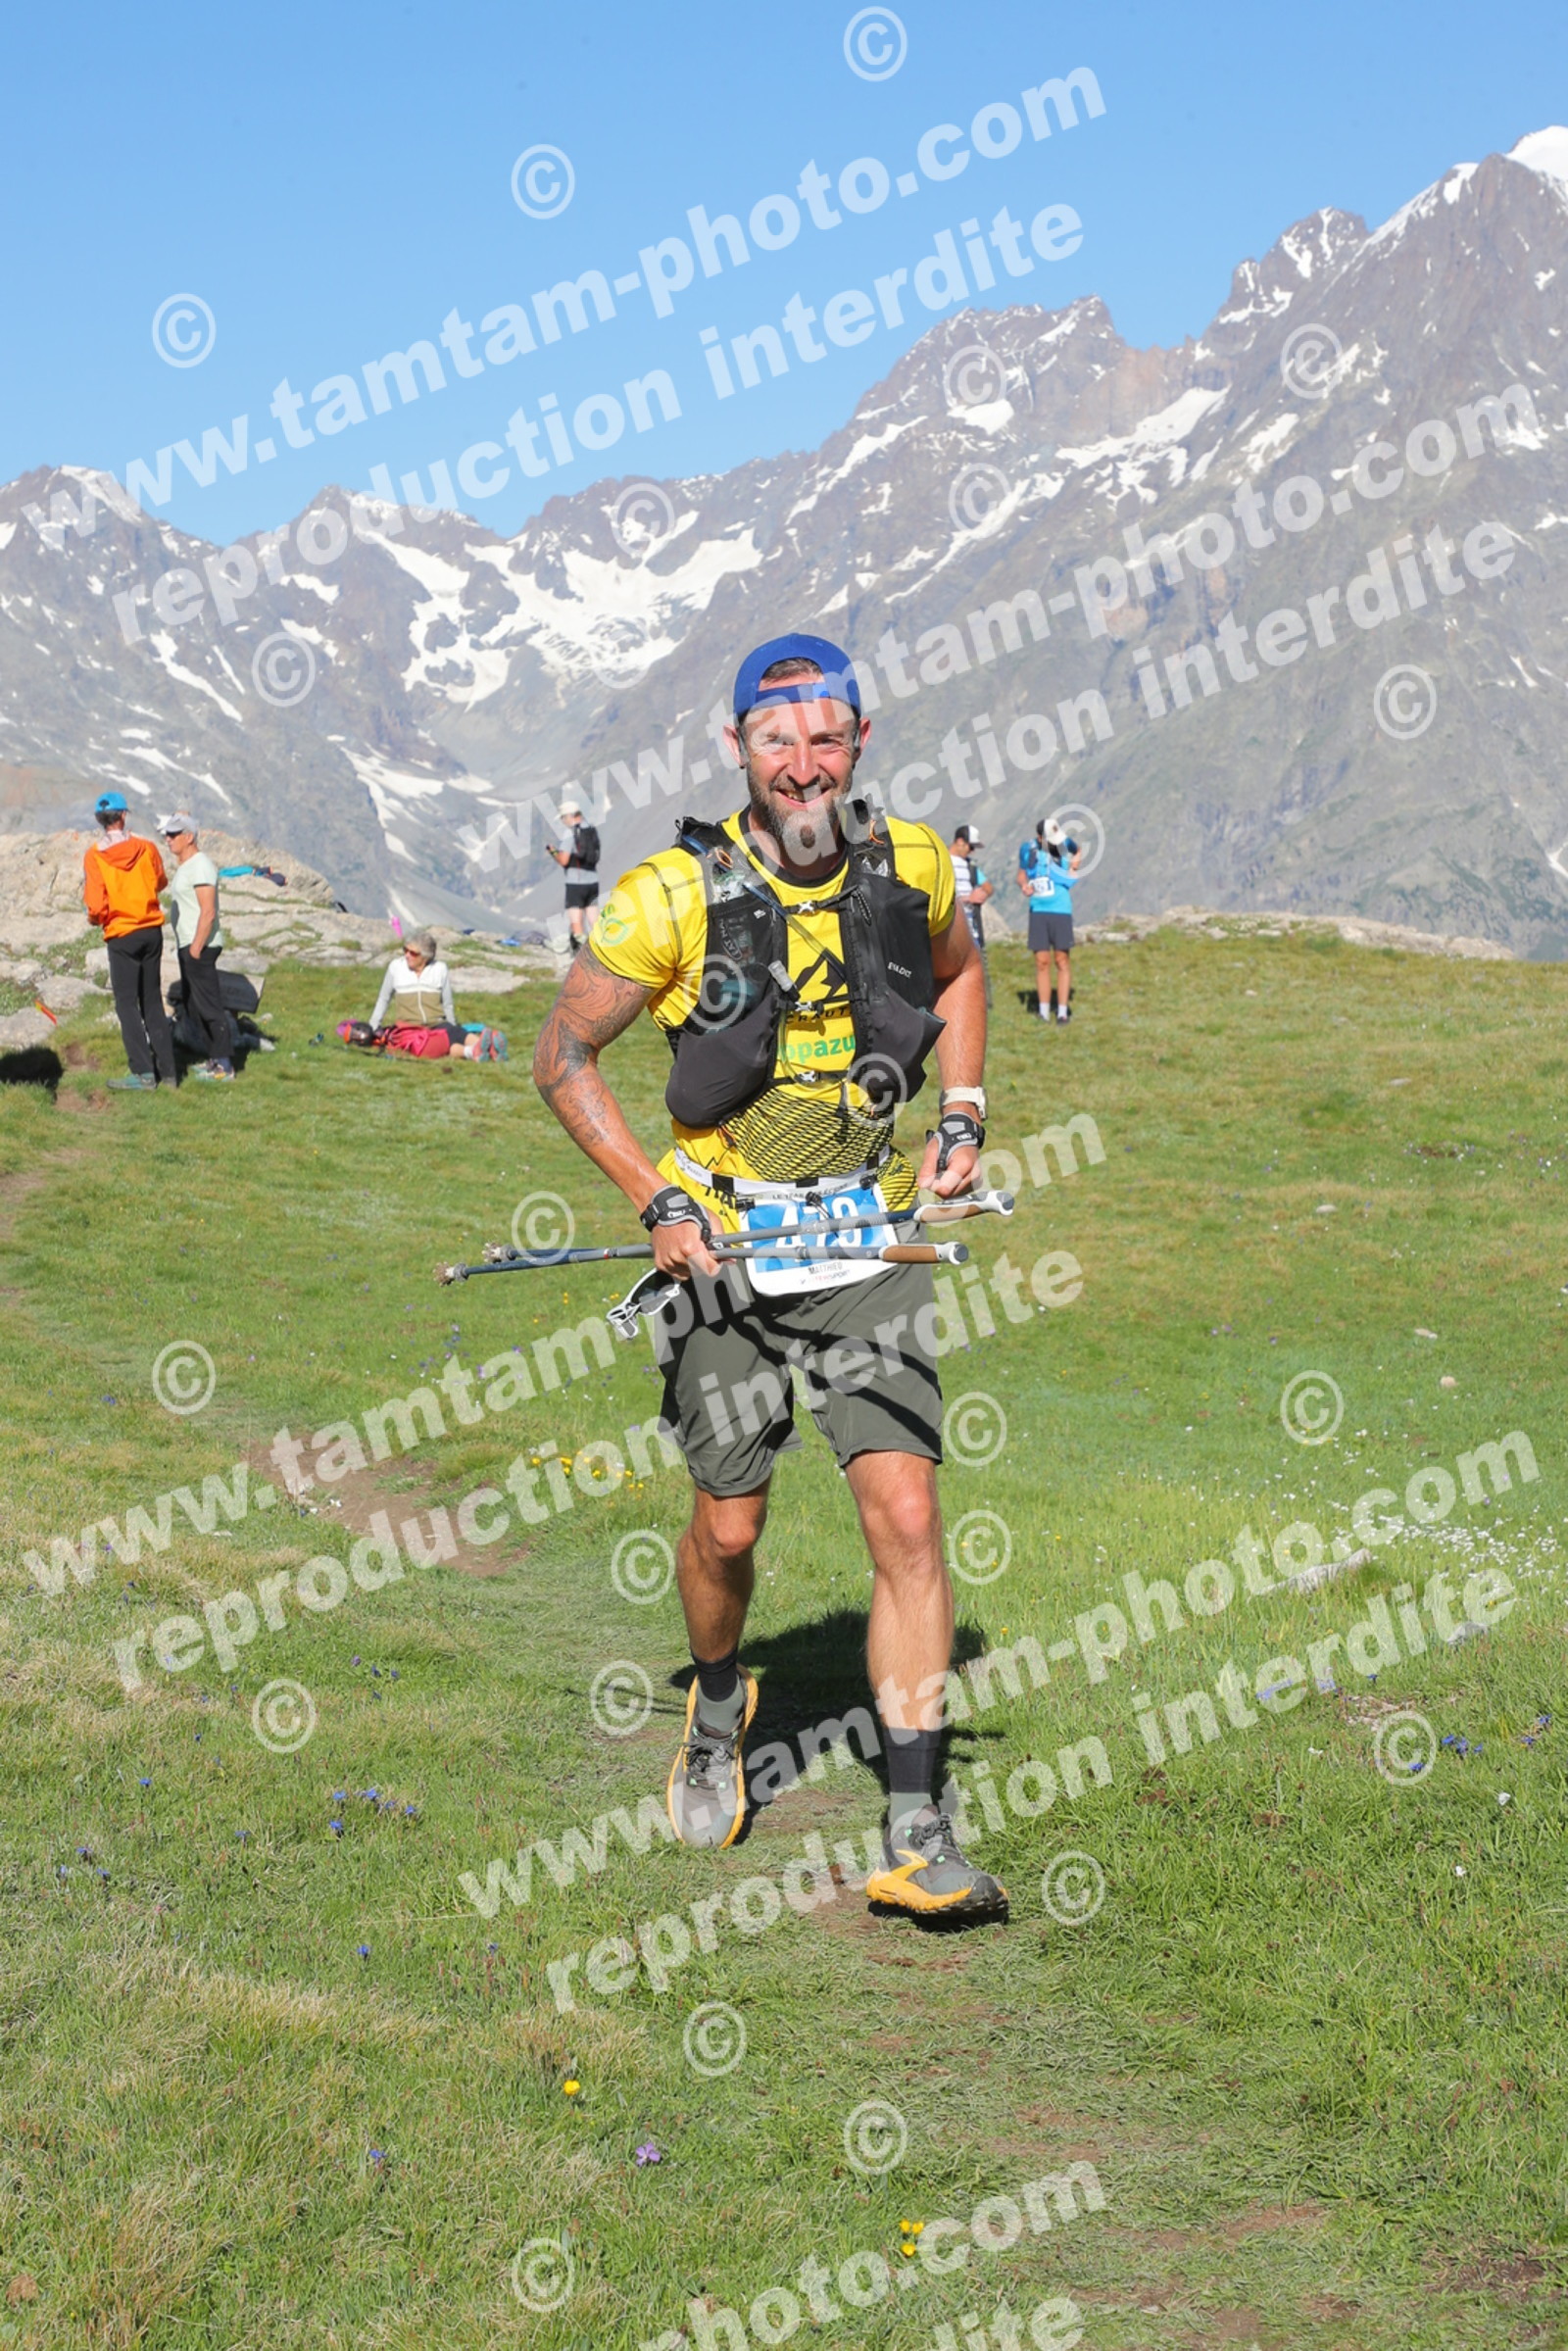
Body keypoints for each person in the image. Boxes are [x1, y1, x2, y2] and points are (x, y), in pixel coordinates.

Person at [533, 631, 1006, 1921]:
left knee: (906, 1514)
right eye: (776, 737)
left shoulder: (912, 863)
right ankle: (718, 1699)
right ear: (736, 745)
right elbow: (562, 1054)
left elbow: (963, 969)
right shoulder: (668, 896)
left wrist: (962, 1115)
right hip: (725, 1251)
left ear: (861, 741)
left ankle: (917, 1821)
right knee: (728, 1526)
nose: (804, 763)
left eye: (827, 736)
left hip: (867, 1240)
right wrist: (655, 1197)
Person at [82, 793, 176, 1091]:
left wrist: (97, 918)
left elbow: (96, 905)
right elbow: (160, 881)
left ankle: (143, 1073)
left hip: (121, 934)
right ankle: (170, 1073)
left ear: (100, 820)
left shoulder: (94, 856)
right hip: (150, 929)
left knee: (126, 1003)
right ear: (123, 816)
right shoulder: (147, 847)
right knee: (152, 1000)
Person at [160, 814, 233, 1081]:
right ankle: (214, 1059)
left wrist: (196, 948)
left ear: (189, 837)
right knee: (196, 1005)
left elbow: (208, 911)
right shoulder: (187, 866)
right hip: (189, 944)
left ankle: (225, 1065)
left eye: (174, 834)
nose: (168, 839)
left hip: (199, 946)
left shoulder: (201, 866)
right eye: (167, 834)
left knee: (208, 1005)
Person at [1017, 819, 1082, 1026]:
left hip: (1061, 909)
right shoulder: (1027, 849)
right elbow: (1021, 874)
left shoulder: (1063, 843)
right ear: (1039, 838)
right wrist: (1024, 885)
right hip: (1038, 909)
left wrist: (1074, 867)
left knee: (1062, 960)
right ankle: (1043, 1012)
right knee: (1041, 961)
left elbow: (1078, 850)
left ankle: (1062, 1012)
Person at [547, 798, 601, 952]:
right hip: (593, 880)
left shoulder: (570, 833)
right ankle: (601, 946)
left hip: (576, 882)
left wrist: (553, 851)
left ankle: (581, 950)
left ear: (569, 816)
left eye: (563, 818)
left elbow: (564, 860)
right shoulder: (591, 829)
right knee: (593, 917)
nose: (563, 821)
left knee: (576, 919)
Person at [950, 824, 994, 1006]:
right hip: (951, 927)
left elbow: (988, 887)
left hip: (972, 927)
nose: (972, 851)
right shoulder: (944, 861)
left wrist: (981, 894)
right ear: (960, 842)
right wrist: (968, 898)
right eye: (971, 846)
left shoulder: (970, 866)